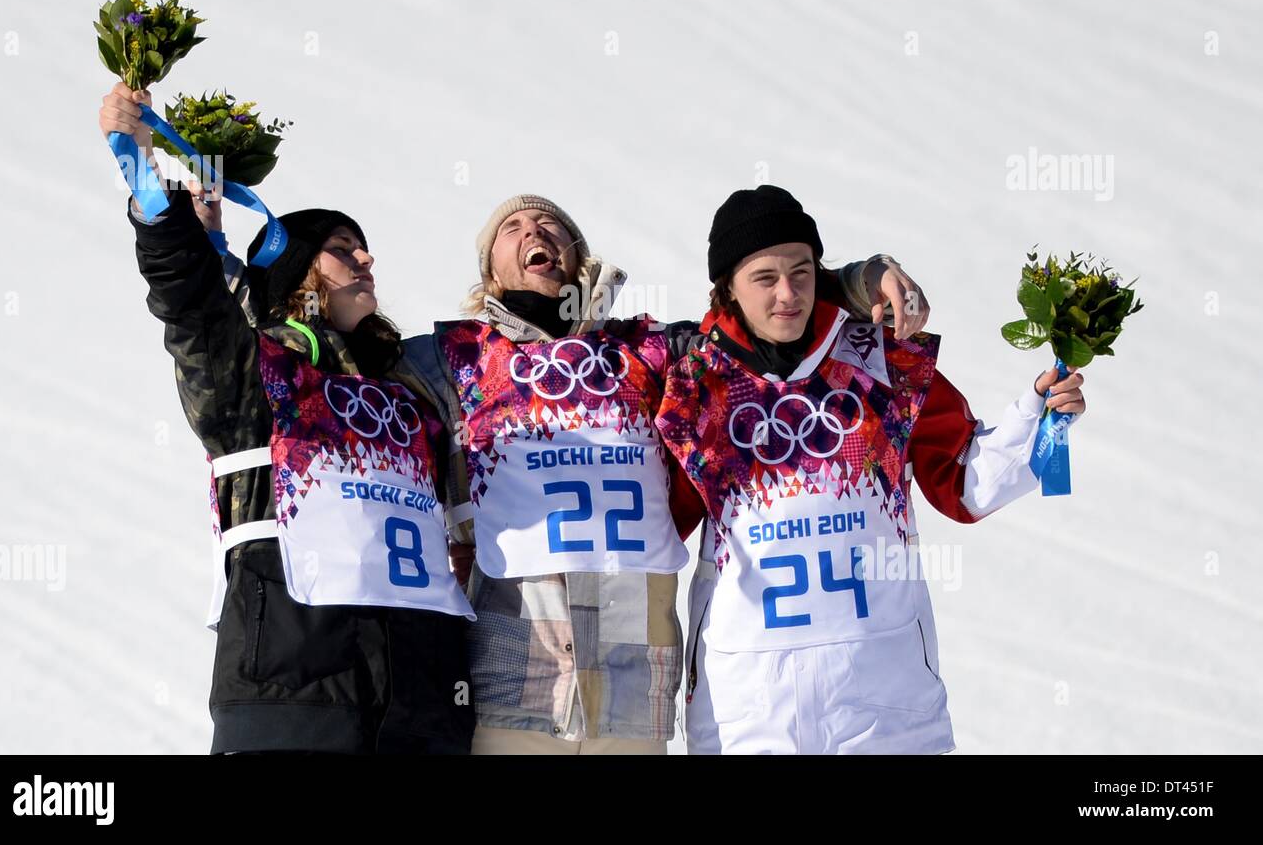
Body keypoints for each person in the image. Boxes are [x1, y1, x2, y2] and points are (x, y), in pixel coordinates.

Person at [394, 193, 934, 753]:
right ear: (490, 272)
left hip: (635, 673)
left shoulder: (650, 349)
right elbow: (339, 370)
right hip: (512, 667)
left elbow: (756, 309)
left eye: (552, 223)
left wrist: (861, 279)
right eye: (513, 227)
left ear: (578, 255)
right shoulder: (452, 355)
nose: (535, 231)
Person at [99, 82, 476, 753]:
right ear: (301, 269)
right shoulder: (261, 373)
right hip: (291, 697)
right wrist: (157, 201)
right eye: (342, 247)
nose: (366, 260)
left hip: (419, 710)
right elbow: (195, 312)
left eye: (364, 248)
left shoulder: (413, 392)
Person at [654, 184, 1087, 754]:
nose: (788, 294)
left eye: (802, 272)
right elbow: (648, 527)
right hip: (746, 709)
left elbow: (964, 483)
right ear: (727, 288)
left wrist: (1040, 420)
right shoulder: (693, 385)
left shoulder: (878, 362)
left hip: (884, 704)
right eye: (765, 278)